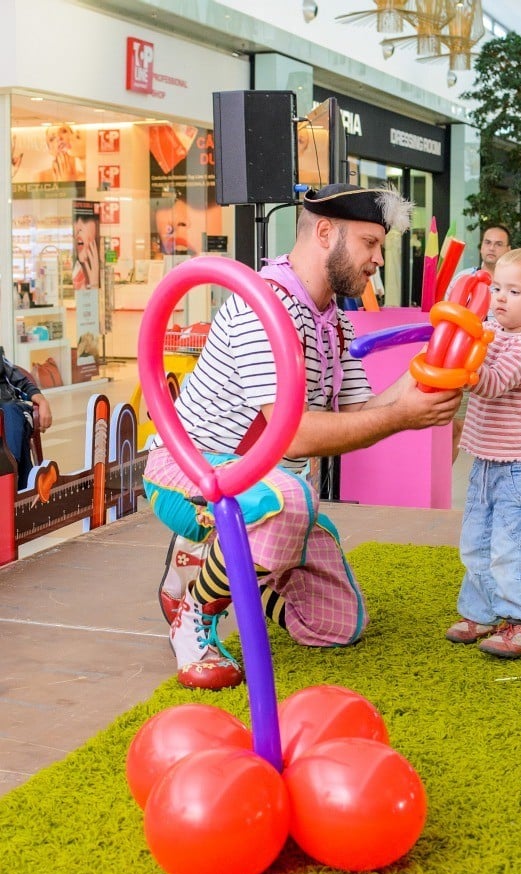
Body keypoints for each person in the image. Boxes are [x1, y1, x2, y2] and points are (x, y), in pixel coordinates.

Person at [143, 183, 462, 690]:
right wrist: (404, 416)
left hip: (263, 485)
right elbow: (291, 437)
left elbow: (361, 409)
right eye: (370, 243)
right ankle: (194, 615)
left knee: (337, 625)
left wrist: (426, 377)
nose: (379, 260)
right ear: (326, 232)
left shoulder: (333, 319)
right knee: (291, 500)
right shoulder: (263, 306)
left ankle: (214, 563)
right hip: (187, 471)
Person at [446, 247, 521, 659]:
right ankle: (480, 613)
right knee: (476, 541)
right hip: (484, 460)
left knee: (510, 546)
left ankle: (518, 622)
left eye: (514, 291)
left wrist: (462, 366)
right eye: (497, 287)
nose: (499, 297)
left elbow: (495, 382)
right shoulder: (491, 329)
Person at [450, 224, 512, 461]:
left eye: (498, 244)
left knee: (495, 434)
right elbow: (447, 315)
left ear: (508, 249)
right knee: (457, 426)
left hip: (498, 366)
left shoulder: (511, 287)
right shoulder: (463, 279)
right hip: (464, 362)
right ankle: (442, 486)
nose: (491, 248)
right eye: (487, 242)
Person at [0, 347, 53, 489]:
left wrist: (42, 403)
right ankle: (20, 486)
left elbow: (23, 384)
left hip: (12, 411)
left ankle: (9, 472)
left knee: (10, 411)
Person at [72, 210, 100, 290]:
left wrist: (94, 284)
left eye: (86, 218)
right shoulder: (76, 272)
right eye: (76, 219)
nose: (78, 227)